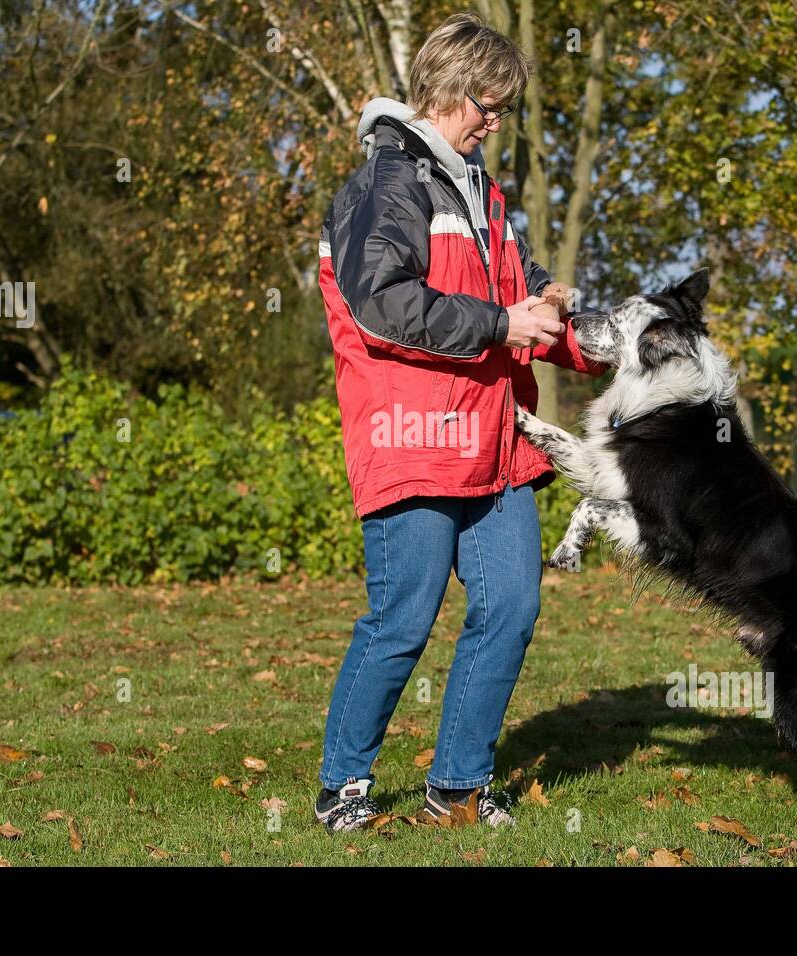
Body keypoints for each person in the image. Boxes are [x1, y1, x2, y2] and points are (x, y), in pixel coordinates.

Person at [314, 12, 606, 831]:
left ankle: (459, 789)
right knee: (403, 618)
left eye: (503, 107)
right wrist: (498, 324)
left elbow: (517, 289)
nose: (494, 120)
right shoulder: (386, 184)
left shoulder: (481, 190)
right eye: (488, 102)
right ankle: (343, 788)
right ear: (445, 90)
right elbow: (382, 305)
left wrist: (565, 314)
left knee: (511, 606)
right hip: (413, 434)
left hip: (497, 437)